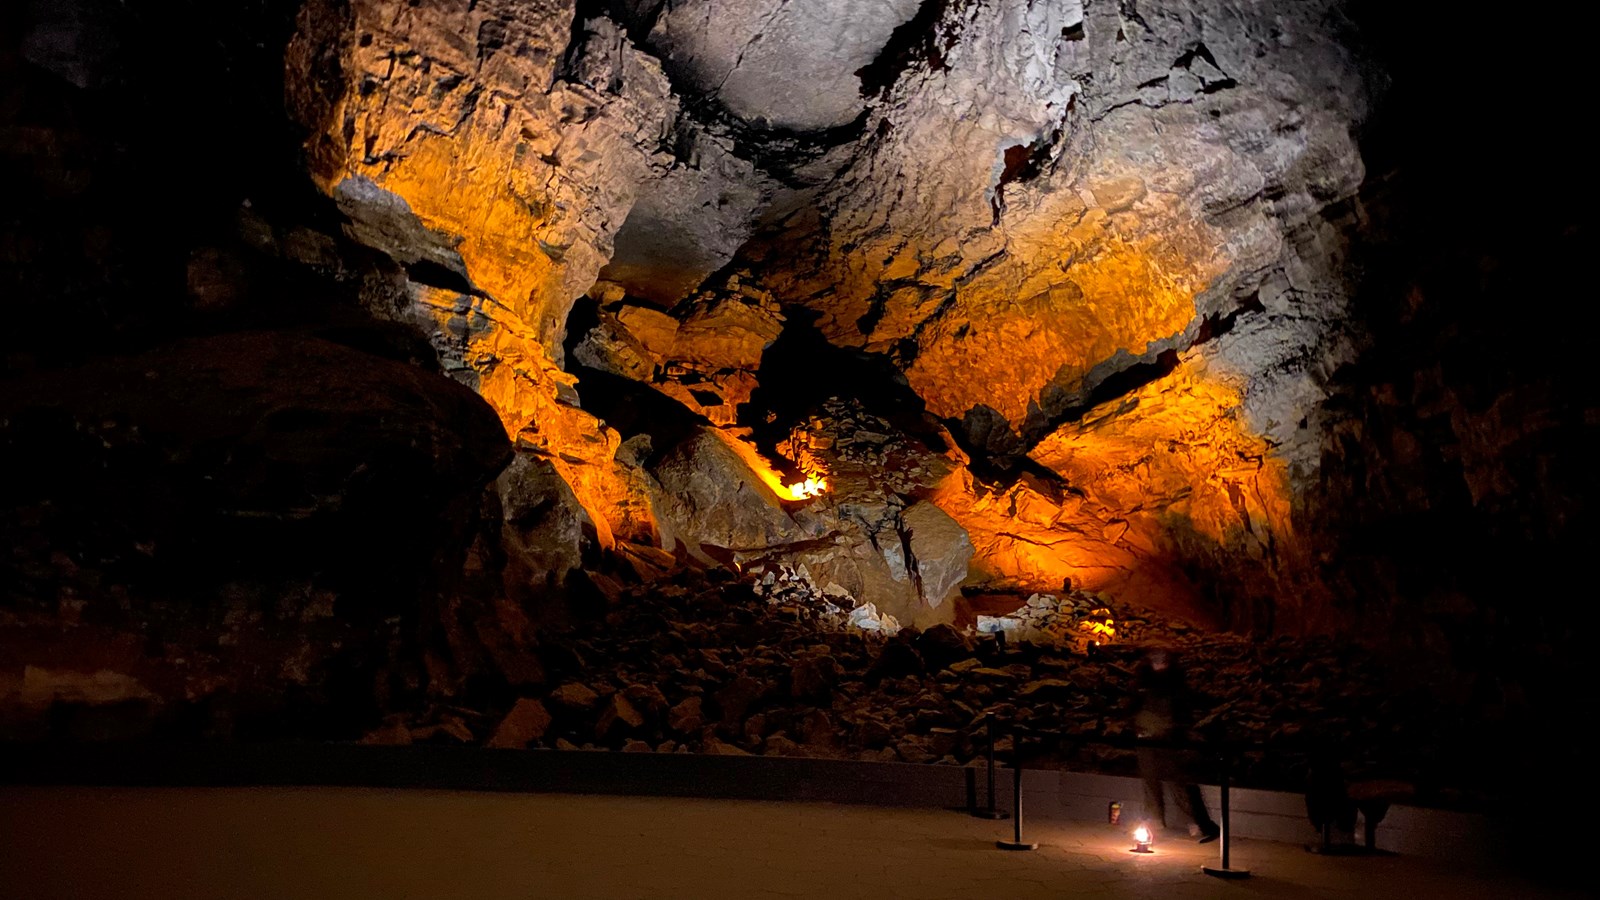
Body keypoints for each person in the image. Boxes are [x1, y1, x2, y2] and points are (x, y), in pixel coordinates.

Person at [1132, 647, 1220, 842]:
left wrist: (1179, 729)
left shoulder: (1173, 681)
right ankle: (1155, 820)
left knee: (1177, 779)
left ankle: (1193, 821)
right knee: (1150, 780)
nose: (1158, 658)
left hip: (1168, 737)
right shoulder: (1144, 679)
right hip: (1146, 736)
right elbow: (1136, 703)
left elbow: (1180, 705)